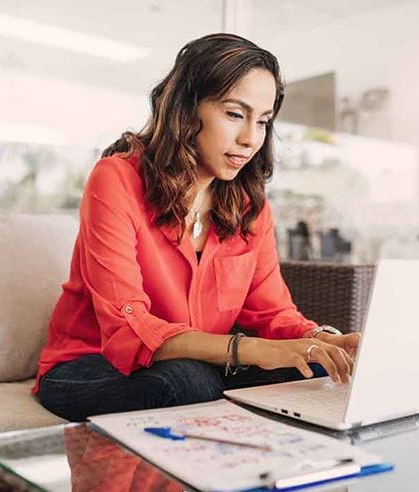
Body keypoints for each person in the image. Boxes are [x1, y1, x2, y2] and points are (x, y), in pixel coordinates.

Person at [34, 33, 360, 422]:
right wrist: (254, 352)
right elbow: (128, 328)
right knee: (188, 382)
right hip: (90, 366)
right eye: (235, 114)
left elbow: (273, 315)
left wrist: (323, 341)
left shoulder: (248, 207)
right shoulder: (116, 179)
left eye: (263, 121)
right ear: (187, 110)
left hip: (203, 364)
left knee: (322, 369)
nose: (250, 139)